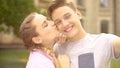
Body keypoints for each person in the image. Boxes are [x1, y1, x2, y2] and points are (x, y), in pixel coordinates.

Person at [47, 0, 120, 68]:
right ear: (56, 27)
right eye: (58, 22)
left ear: (78, 14)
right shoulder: (57, 49)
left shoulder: (104, 41)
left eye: (67, 16)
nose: (65, 24)